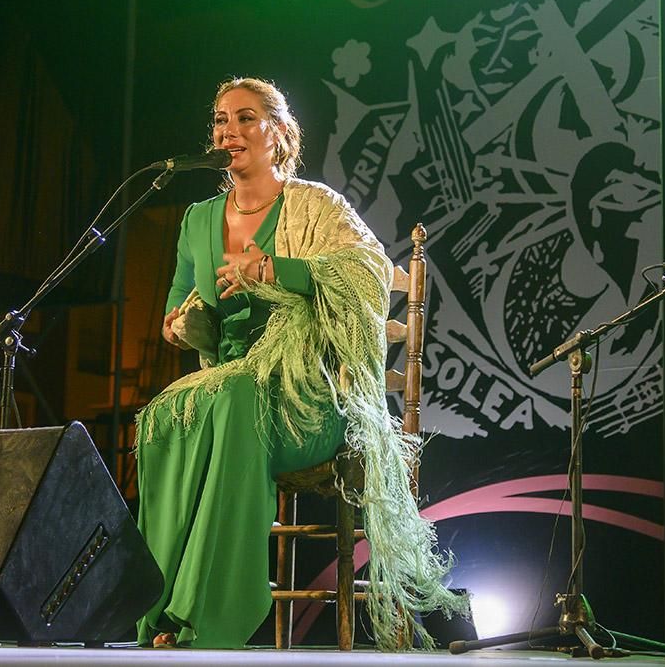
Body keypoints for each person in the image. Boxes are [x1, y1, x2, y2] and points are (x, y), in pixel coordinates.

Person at [134, 76, 467, 649]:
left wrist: (277, 273)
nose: (228, 131)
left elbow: (365, 273)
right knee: (163, 417)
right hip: (227, 391)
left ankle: (207, 616)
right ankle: (157, 608)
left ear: (279, 132)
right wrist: (181, 324)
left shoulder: (316, 206)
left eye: (245, 118)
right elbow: (178, 310)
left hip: (310, 399)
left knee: (235, 399)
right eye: (219, 120)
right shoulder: (196, 220)